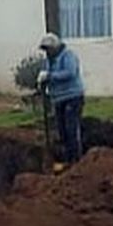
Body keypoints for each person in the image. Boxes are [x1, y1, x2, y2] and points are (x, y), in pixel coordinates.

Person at [36, 32, 84, 164]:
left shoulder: (68, 56)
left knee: (71, 129)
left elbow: (70, 72)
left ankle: (76, 159)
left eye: (48, 49)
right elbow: (48, 76)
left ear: (55, 47)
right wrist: (43, 83)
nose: (47, 52)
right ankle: (67, 158)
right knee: (62, 130)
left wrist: (50, 76)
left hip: (72, 96)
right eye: (45, 49)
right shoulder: (48, 61)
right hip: (58, 99)